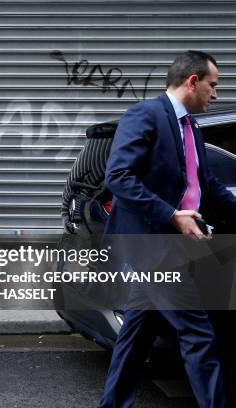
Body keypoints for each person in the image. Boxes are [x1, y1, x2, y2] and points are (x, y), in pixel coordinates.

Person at [99, 51, 236, 407]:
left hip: (171, 246)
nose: (216, 94)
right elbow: (118, 177)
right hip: (152, 246)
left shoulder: (191, 128)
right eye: (213, 85)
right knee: (198, 334)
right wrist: (172, 214)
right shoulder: (146, 116)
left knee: (135, 337)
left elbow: (206, 184)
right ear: (192, 81)